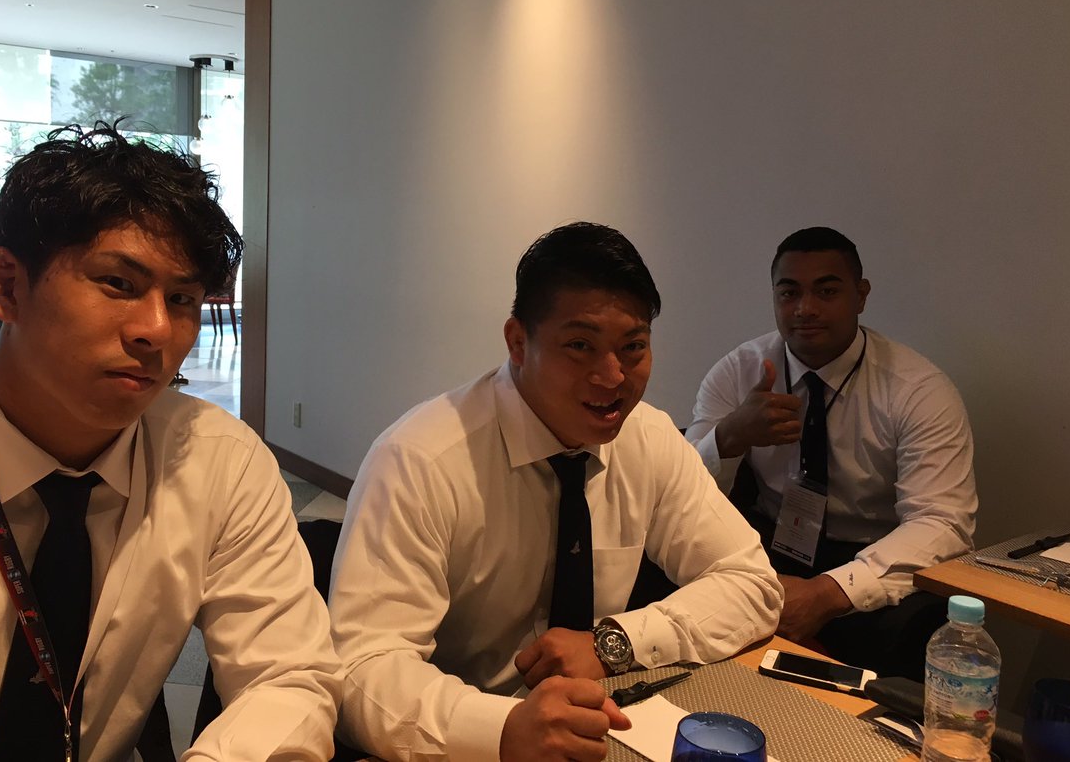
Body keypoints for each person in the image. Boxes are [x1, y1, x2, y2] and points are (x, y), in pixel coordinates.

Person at [0, 123, 341, 761]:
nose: (156, 329)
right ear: (7, 286)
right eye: (119, 284)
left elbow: (289, 675)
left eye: (182, 298)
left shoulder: (220, 461)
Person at [331, 222, 781, 762]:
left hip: (602, 726)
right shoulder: (420, 460)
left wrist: (613, 644)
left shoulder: (649, 438)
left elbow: (753, 584)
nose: (612, 377)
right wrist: (502, 728)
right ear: (518, 342)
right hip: (458, 739)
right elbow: (362, 669)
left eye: (633, 347)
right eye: (580, 346)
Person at [686, 226, 976, 678]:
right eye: (789, 293)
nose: (805, 309)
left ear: (861, 295)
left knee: (917, 628)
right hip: (770, 540)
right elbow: (679, 496)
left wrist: (828, 593)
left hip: (872, 553)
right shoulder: (741, 371)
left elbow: (943, 522)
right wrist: (730, 437)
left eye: (826, 291)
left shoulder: (918, 390)